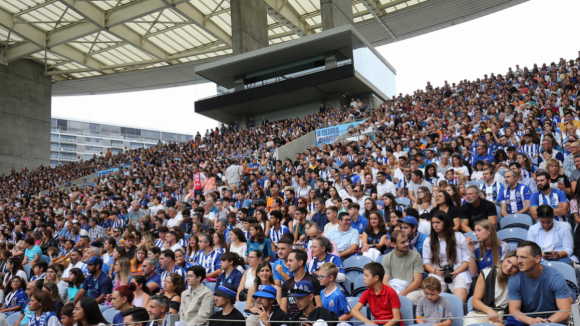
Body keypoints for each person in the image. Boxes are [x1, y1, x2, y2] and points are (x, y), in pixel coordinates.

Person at [507, 241, 572, 325]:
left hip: (554, 321)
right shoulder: (514, 279)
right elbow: (514, 310)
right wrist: (531, 321)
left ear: (537, 259)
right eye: (518, 257)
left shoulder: (555, 277)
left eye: (523, 257)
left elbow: (565, 311)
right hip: (529, 321)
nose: (518, 261)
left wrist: (544, 324)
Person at [422, 211, 471, 303]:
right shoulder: (429, 240)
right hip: (437, 272)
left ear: (445, 222)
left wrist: (456, 272)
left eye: (438, 222)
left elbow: (467, 260)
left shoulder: (458, 236)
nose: (435, 225)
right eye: (433, 223)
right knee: (430, 299)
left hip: (458, 271)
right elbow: (426, 262)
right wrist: (435, 271)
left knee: (460, 300)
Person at [464, 250, 519, 326]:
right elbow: (475, 301)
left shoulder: (518, 280)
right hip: (479, 314)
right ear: (504, 259)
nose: (509, 267)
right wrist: (488, 310)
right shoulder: (487, 272)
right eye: (508, 262)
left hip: (499, 318)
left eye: (515, 266)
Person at [382, 230, 424, 304]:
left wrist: (403, 293)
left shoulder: (416, 256)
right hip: (395, 288)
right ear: (393, 244)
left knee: (408, 299)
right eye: (402, 242)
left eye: (407, 240)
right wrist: (394, 293)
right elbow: (385, 281)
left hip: (414, 290)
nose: (407, 244)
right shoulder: (387, 258)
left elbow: (417, 281)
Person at [281, 249, 322, 315]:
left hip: (309, 318)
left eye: (290, 261)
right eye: (287, 260)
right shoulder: (286, 284)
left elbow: (319, 305)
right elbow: (283, 310)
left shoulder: (314, 281)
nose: (288, 263)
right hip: (291, 321)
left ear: (300, 262)